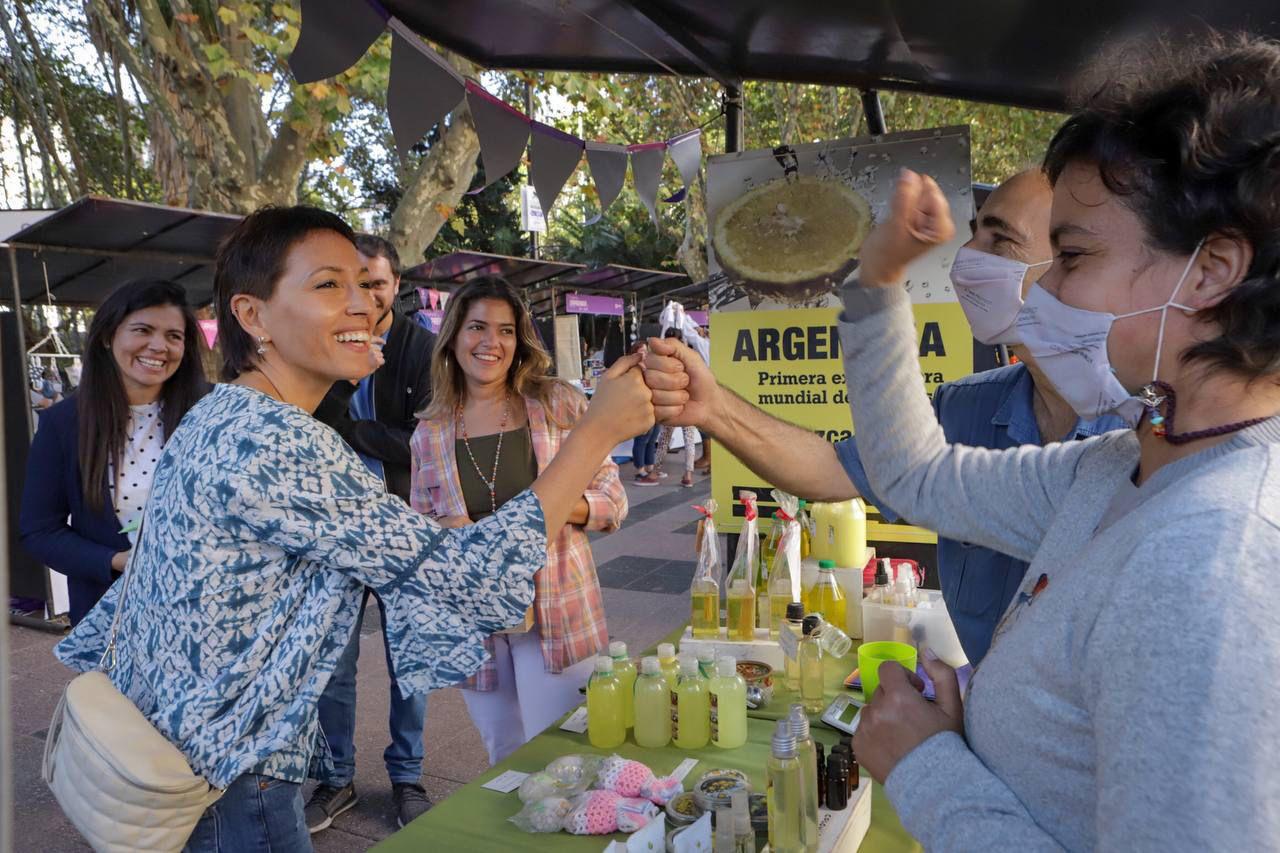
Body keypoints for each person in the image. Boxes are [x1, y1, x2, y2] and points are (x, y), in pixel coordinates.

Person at [647, 33, 1280, 848]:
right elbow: (915, 473)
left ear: (1211, 269)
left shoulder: (1213, 564)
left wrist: (924, 761)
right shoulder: (1127, 464)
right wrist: (876, 288)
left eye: (1074, 256)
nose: (1042, 288)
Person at [54, 206, 653, 851]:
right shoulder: (277, 441)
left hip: (182, 745)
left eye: (366, 285)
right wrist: (597, 435)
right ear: (251, 316)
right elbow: (465, 575)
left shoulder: (220, 413)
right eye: (327, 285)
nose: (362, 305)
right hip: (230, 778)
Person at [638, 169, 1126, 665]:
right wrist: (714, 409)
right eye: (974, 232)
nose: (968, 255)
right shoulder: (966, 407)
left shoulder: (1144, 447)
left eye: (1000, 240)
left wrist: (879, 281)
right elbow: (853, 469)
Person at [410, 275, 628, 764]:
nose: (492, 343)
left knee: (565, 752)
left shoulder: (559, 405)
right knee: (503, 755)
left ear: (520, 340)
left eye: (506, 331)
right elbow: (421, 535)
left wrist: (543, 506)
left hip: (558, 607)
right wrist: (443, 536)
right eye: (477, 327)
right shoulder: (430, 430)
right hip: (475, 620)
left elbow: (613, 499)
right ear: (453, 336)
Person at [308, 235, 437, 831]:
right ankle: (335, 778)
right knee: (332, 661)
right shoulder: (322, 343)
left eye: (375, 283)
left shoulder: (421, 349)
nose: (362, 296)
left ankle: (407, 776)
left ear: (395, 286)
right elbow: (305, 425)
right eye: (349, 282)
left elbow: (423, 442)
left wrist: (355, 433)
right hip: (331, 529)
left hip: (403, 525)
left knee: (409, 658)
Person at [19, 280, 207, 625]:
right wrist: (116, 561)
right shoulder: (65, 423)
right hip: (115, 619)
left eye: (173, 336)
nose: (158, 346)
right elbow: (40, 531)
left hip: (210, 612)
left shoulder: (212, 412)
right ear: (107, 337)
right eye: (142, 330)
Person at [641, 328, 699, 488]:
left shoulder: (663, 359)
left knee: (665, 438)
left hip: (672, 402)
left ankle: (654, 472)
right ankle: (688, 474)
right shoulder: (689, 356)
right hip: (687, 401)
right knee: (689, 440)